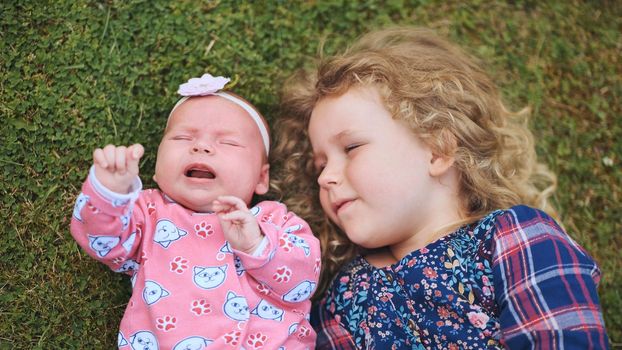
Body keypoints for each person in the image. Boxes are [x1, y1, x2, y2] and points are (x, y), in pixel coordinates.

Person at [272, 28, 610, 349]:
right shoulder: (339, 301)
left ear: (438, 150)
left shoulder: (515, 238)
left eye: (351, 148)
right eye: (319, 165)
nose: (325, 177)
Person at [70, 73, 321, 349]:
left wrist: (257, 244)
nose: (200, 146)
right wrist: (110, 193)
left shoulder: (274, 221)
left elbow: (303, 281)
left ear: (261, 178)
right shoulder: (148, 214)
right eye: (182, 137)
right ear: (156, 168)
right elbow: (104, 243)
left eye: (228, 142)